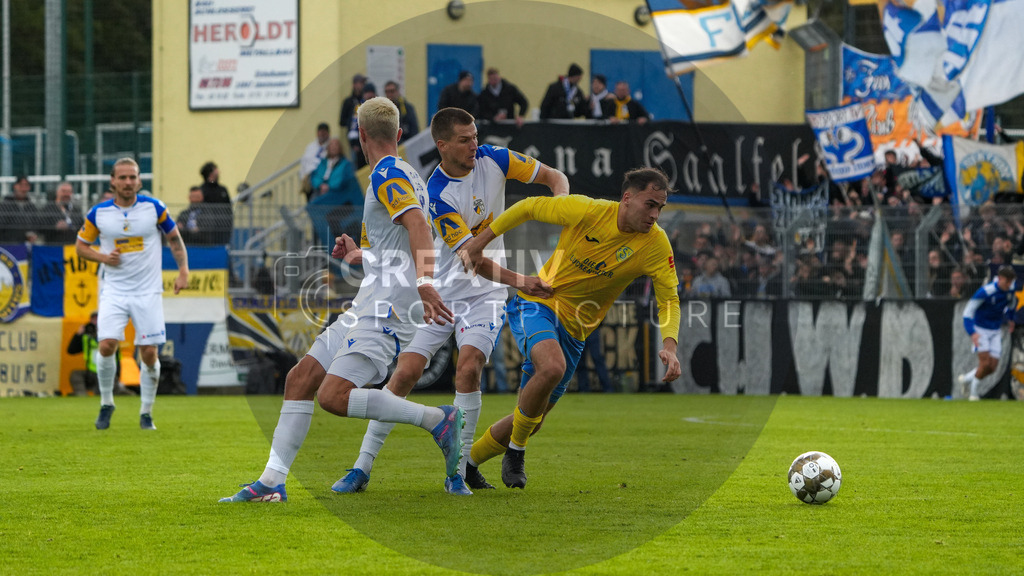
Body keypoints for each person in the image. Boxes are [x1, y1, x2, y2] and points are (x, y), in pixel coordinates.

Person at [219, 96, 464, 503]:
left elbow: (419, 226)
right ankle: (271, 482)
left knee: (333, 396)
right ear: (400, 135)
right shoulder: (407, 174)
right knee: (300, 379)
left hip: (388, 306)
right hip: (372, 299)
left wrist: (425, 282)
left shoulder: (386, 175)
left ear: (360, 136)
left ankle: (438, 420)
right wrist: (357, 254)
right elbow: (394, 248)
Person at [332, 106, 567, 496]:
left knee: (469, 367)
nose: (475, 144)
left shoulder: (494, 157)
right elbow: (472, 258)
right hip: (442, 292)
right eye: (464, 139)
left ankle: (456, 474)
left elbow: (553, 176)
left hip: (485, 296)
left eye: (475, 135)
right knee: (404, 374)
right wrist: (524, 281)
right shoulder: (436, 193)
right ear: (442, 146)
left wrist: (562, 201)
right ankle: (361, 467)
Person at [457, 167, 682, 489]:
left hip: (577, 331)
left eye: (661, 207)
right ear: (628, 198)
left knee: (531, 419)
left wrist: (670, 346)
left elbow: (669, 298)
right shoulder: (587, 210)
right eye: (650, 204)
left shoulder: (656, 245)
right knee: (552, 368)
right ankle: (516, 454)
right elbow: (528, 207)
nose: (655, 214)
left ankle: (466, 464)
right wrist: (479, 243)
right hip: (538, 303)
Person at [75, 157, 190, 430]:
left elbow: (174, 239)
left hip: (147, 291)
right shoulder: (99, 213)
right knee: (106, 345)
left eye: (133, 177)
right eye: (123, 177)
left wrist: (183, 270)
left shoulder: (154, 208)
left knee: (149, 353)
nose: (128, 182)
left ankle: (146, 412)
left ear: (139, 180)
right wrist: (104, 257)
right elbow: (80, 246)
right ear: (113, 181)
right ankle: (106, 403)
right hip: (114, 290)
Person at [958, 265, 1016, 401]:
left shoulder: (1010, 290)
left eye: (1011, 282)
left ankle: (966, 379)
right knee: (985, 363)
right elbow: (967, 313)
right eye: (1007, 281)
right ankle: (973, 394)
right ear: (1000, 278)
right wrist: (972, 332)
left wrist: (1011, 319)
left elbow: (1012, 305)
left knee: (992, 367)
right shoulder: (985, 291)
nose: (1010, 285)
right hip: (980, 330)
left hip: (995, 330)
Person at [307, 137, 363, 247]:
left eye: (336, 145)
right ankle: (320, 247)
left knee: (337, 223)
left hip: (339, 201)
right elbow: (315, 177)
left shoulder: (345, 164)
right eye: (331, 145)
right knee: (317, 220)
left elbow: (343, 179)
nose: (333, 148)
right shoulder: (323, 163)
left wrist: (329, 186)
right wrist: (320, 185)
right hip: (323, 199)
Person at [0, 175, 40, 243]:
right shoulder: (5, 205)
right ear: (15, 186)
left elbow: (37, 225)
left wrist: (33, 234)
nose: (23, 189)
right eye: (21, 185)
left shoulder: (31, 207)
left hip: (25, 246)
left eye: (26, 185)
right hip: (7, 245)